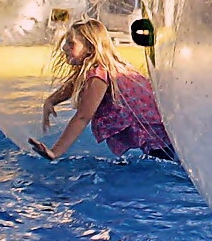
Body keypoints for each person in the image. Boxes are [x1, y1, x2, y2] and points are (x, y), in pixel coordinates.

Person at [29, 18, 175, 162]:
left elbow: (82, 117)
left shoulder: (98, 74)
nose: (64, 48)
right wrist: (51, 100)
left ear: (91, 49)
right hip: (164, 134)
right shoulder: (109, 66)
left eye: (71, 43)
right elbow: (74, 84)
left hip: (158, 142)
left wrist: (55, 152)